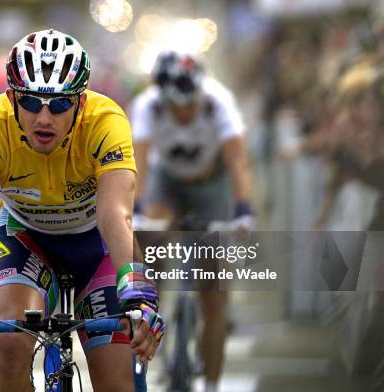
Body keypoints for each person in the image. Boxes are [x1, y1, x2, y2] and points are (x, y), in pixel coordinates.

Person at [0, 29, 164, 391]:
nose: (44, 117)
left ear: (80, 104)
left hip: (96, 244)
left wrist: (136, 288)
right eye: (30, 102)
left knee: (118, 380)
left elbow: (115, 215)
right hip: (26, 239)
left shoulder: (105, 121)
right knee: (9, 343)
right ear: (11, 98)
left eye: (59, 105)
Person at [131, 50, 255, 392]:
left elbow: (239, 163)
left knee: (213, 291)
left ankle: (212, 383)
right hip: (165, 181)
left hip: (211, 182)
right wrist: (136, 210)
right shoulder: (147, 105)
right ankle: (153, 321)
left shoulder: (219, 102)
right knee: (148, 247)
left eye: (190, 106)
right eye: (177, 108)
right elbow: (137, 164)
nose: (184, 114)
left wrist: (244, 210)